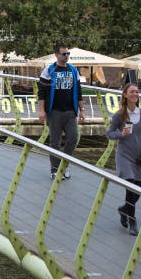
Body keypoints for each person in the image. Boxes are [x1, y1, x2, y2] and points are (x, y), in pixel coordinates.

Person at [106, 83, 141, 236]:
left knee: (138, 189)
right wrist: (121, 134)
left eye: (137, 92)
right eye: (132, 92)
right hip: (124, 155)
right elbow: (109, 133)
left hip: (139, 156)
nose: (135, 94)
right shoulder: (120, 115)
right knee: (131, 186)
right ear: (125, 95)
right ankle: (132, 220)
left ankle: (124, 209)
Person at [37, 44, 85, 180]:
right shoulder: (49, 70)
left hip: (70, 111)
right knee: (55, 142)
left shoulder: (73, 70)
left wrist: (82, 110)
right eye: (64, 54)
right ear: (56, 55)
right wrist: (41, 111)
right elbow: (41, 93)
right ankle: (54, 169)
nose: (66, 56)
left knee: (73, 138)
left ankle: (64, 166)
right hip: (54, 111)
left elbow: (79, 92)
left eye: (68, 54)